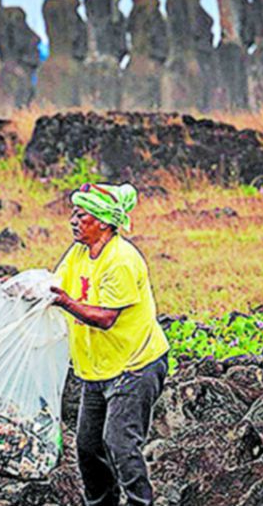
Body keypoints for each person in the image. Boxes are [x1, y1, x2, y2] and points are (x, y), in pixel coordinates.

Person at [51, 182, 170, 506]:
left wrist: (64, 303)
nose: (73, 221)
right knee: (88, 448)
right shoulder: (78, 253)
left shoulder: (121, 260)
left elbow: (105, 318)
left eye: (81, 215)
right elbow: (54, 284)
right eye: (73, 214)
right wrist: (21, 289)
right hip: (99, 367)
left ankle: (139, 503)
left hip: (135, 365)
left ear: (103, 221)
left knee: (119, 442)